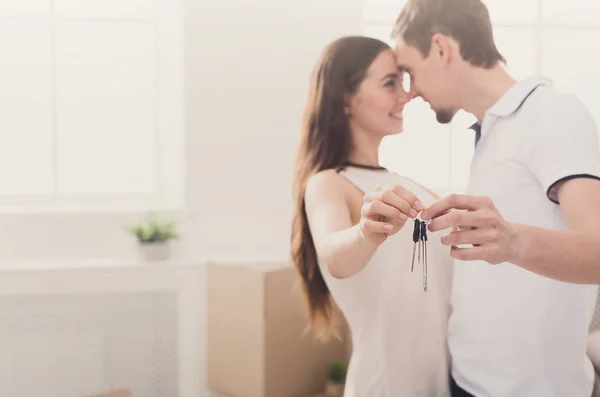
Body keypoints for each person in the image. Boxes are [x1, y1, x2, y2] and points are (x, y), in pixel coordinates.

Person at [391, 0, 600, 396]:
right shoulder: (493, 131)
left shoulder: (552, 114)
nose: (411, 91)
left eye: (409, 72)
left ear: (440, 48)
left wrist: (513, 241)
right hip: (471, 381)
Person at [291, 36, 453, 396]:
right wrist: (367, 232)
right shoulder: (329, 183)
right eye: (389, 83)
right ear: (346, 100)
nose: (406, 96)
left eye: (403, 81)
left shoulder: (411, 184)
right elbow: (334, 254)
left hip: (442, 382)